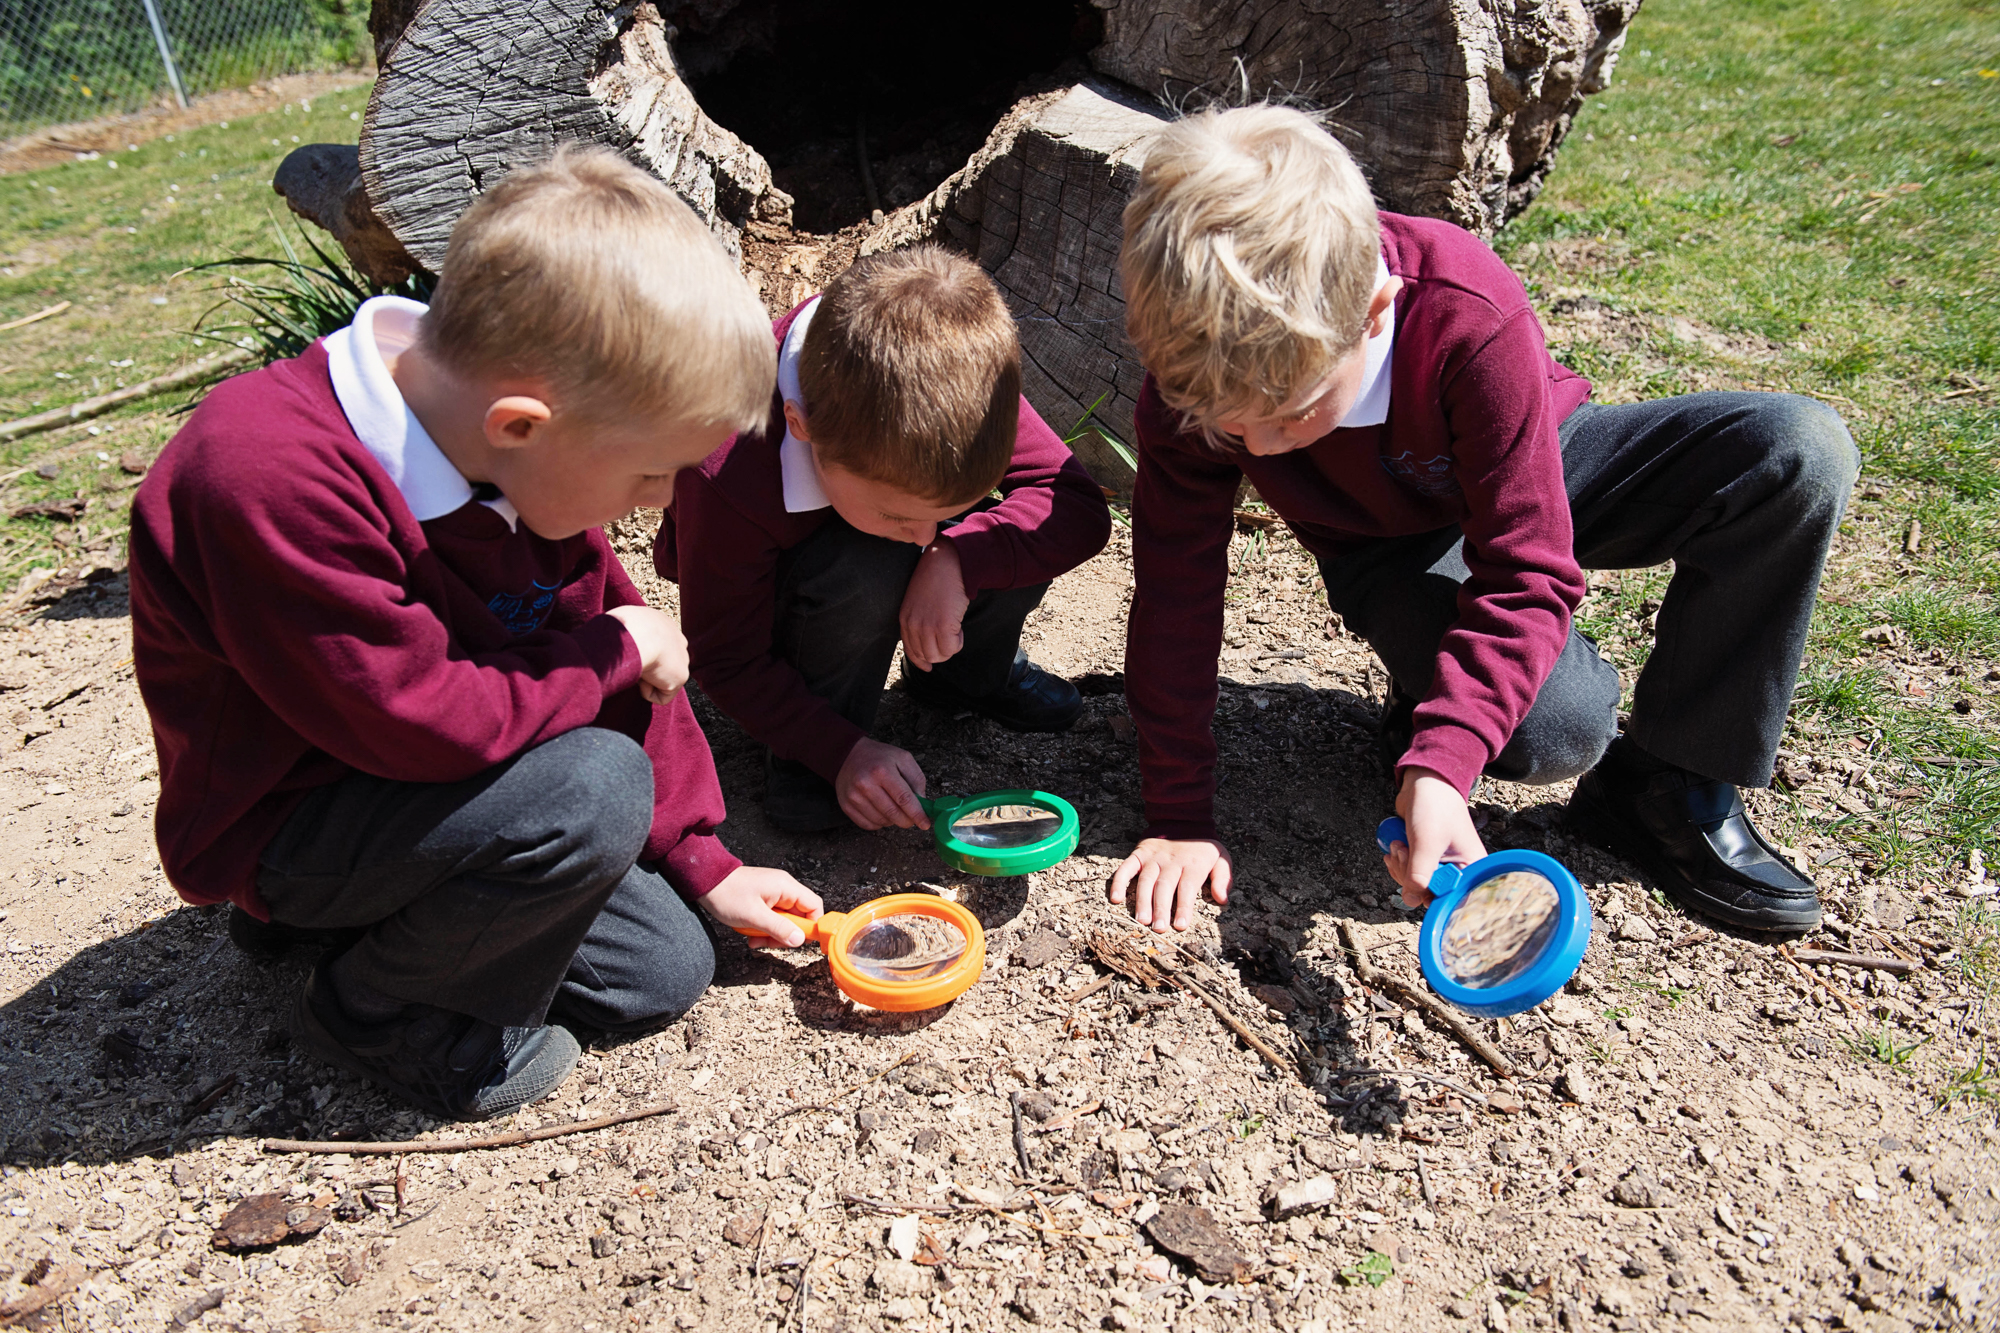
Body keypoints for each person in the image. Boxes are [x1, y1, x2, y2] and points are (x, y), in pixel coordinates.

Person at [128, 146, 823, 1122]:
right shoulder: (265, 475)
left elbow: (619, 657)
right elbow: (421, 719)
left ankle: (368, 931)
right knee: (593, 789)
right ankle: (377, 1013)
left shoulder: (515, 470)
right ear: (521, 423)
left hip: (438, 797)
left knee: (659, 971)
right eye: (650, 472)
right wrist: (612, 652)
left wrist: (705, 858)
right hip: (300, 813)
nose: (660, 501)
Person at [1107, 105, 1858, 935]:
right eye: (1230, 425)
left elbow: (1528, 566)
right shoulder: (1200, 380)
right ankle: (1429, 690)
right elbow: (1176, 594)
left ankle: (1667, 783)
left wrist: (1444, 763)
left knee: (1795, 453)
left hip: (1530, 463)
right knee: (1558, 726)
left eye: (1290, 414)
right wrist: (1178, 815)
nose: (1257, 445)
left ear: (1373, 311)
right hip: (1386, 544)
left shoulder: (1462, 307)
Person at [659, 246, 1112, 834]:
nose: (922, 536)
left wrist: (958, 555)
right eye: (897, 515)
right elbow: (725, 654)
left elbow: (1074, 505)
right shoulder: (724, 460)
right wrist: (834, 749)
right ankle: (817, 739)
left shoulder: (950, 369)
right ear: (802, 426)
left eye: (941, 516)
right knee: (867, 568)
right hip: (779, 589)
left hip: (868, 544)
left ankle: (964, 678)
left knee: (1012, 533)